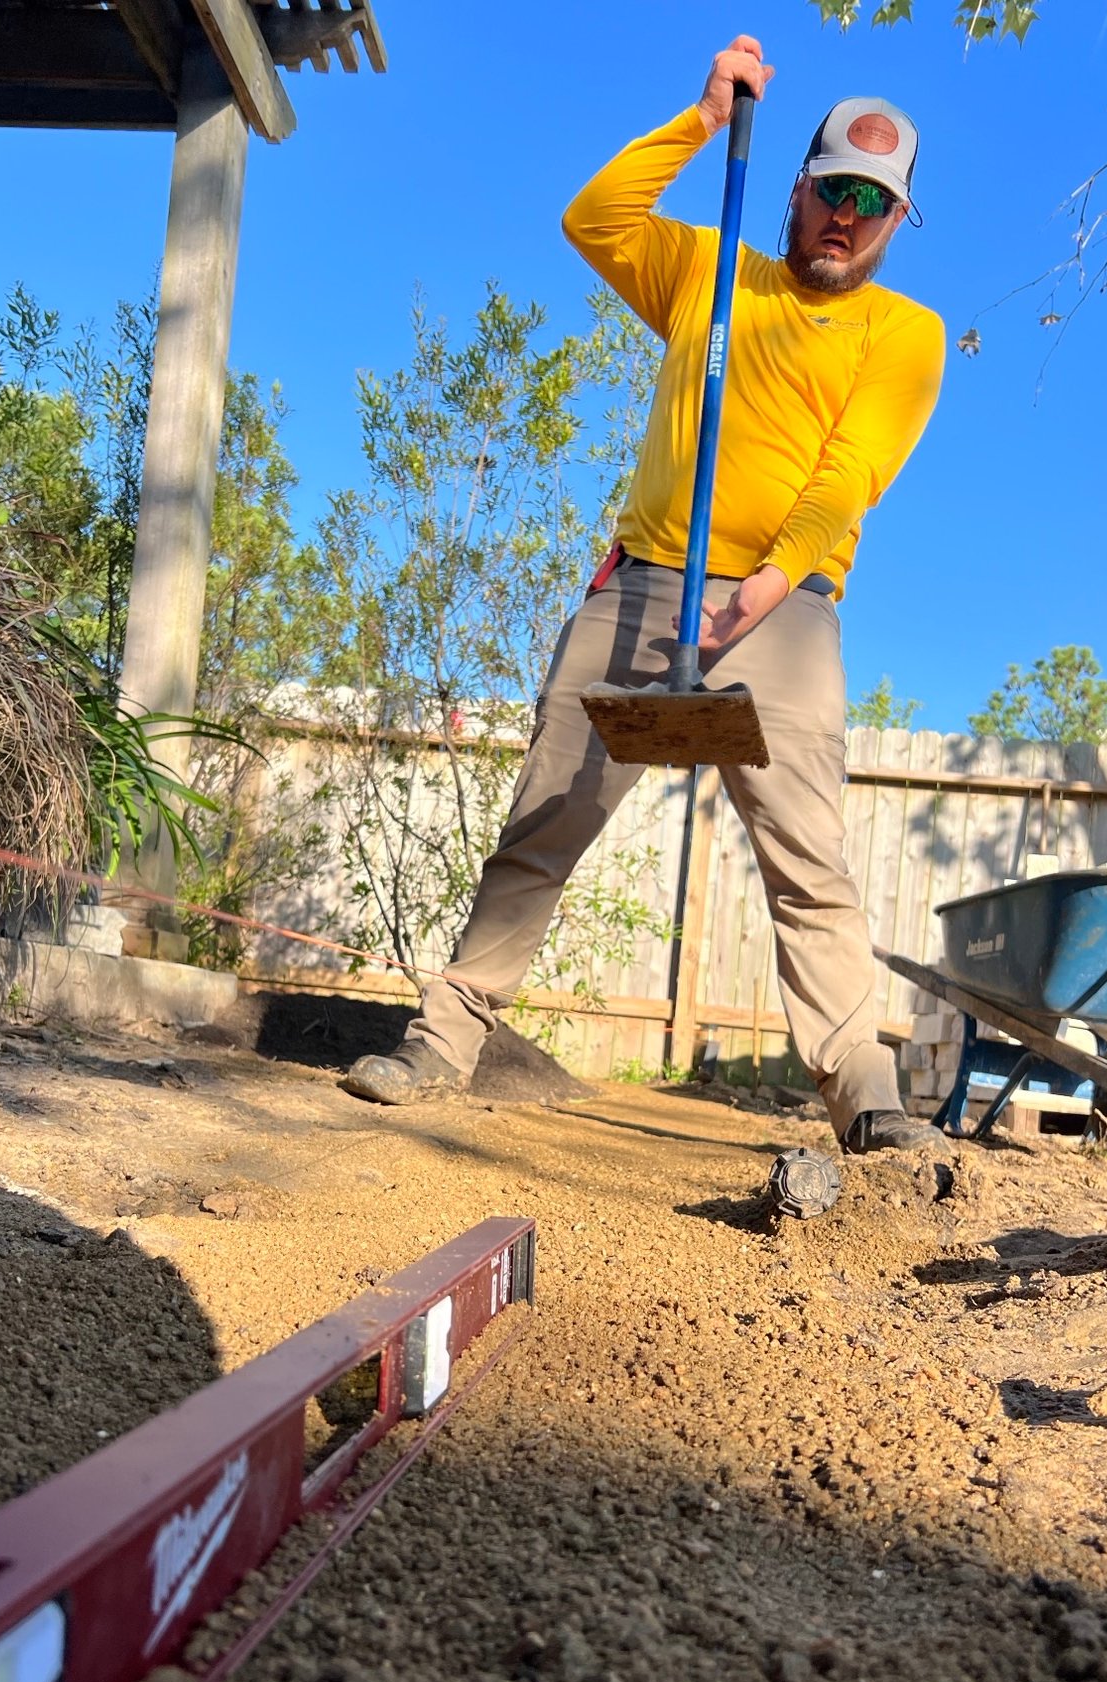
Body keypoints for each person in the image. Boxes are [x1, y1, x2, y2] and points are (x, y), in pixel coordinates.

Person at [346, 34, 947, 1155]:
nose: (849, 216)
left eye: (877, 201)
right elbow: (594, 221)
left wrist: (773, 580)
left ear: (896, 221)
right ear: (801, 186)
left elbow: (848, 473)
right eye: (835, 189)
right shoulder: (705, 273)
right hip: (642, 587)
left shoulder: (904, 334)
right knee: (540, 826)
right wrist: (702, 116)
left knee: (808, 864)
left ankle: (867, 1098)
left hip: (790, 607)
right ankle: (441, 1040)